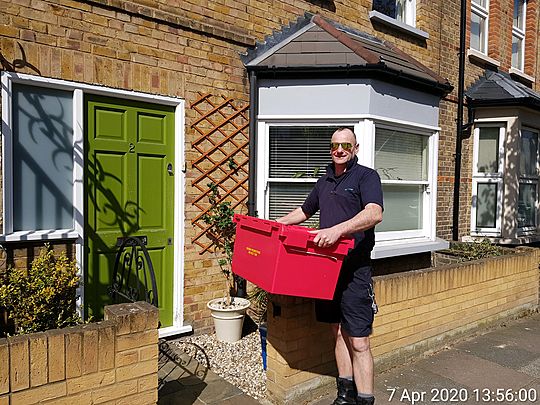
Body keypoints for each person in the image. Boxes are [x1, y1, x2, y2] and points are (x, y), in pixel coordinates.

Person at [276, 127, 383, 405]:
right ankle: (344, 395)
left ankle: (365, 399)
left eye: (346, 146)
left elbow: (374, 213)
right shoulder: (324, 180)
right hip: (325, 269)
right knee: (335, 332)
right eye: (335, 145)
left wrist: (337, 231)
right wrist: (277, 225)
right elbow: (304, 211)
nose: (339, 150)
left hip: (354, 271)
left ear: (355, 148)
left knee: (359, 341)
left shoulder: (366, 176)